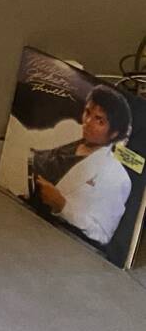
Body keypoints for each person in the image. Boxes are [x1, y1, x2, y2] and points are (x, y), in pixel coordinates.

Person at [31, 85, 134, 246]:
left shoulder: (117, 177)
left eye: (99, 120)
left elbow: (102, 235)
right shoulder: (67, 136)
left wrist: (62, 206)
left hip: (57, 242)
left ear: (114, 133)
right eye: (87, 112)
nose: (87, 122)